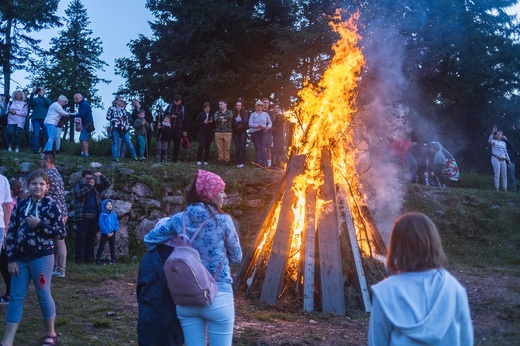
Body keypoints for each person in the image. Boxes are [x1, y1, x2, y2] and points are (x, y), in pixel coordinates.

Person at [143, 170, 243, 346]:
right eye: (221, 191)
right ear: (210, 194)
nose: (224, 195)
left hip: (186, 297)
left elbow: (149, 239)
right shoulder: (223, 221)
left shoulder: (178, 219)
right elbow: (237, 257)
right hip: (217, 296)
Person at [368, 212, 473, 346]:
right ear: (434, 243)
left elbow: (376, 342)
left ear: (396, 246)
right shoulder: (454, 288)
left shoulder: (385, 292)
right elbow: (466, 340)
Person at [1, 170, 66, 346]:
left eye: (41, 184)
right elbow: (12, 231)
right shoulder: (21, 205)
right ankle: (7, 340)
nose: (37, 186)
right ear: (28, 186)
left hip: (42, 259)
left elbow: (61, 232)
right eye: (34, 183)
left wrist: (40, 225)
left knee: (43, 293)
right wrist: (11, 258)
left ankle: (51, 334)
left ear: (47, 187)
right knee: (15, 297)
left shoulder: (51, 205)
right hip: (20, 260)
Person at [137, 217, 185, 346]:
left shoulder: (148, 257)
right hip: (172, 320)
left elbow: (140, 288)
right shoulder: (183, 259)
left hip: (148, 317)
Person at [72, 170, 111, 264]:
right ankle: (79, 260)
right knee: (81, 237)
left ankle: (88, 258)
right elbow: (78, 194)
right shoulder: (79, 185)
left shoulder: (95, 187)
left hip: (95, 216)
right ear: (83, 178)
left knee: (91, 237)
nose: (90, 180)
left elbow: (108, 184)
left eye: (91, 178)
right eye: (87, 178)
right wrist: (89, 186)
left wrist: (101, 176)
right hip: (82, 216)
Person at [40, 152, 68, 278]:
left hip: (56, 213)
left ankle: (61, 269)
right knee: (56, 241)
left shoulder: (49, 175)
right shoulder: (57, 174)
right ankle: (54, 267)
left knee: (59, 241)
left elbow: (41, 192)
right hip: (62, 211)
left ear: (47, 161)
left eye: (42, 159)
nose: (40, 162)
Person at [0, 179, 24, 304]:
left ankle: (10, 293)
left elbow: (7, 211)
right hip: (5, 231)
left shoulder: (12, 203)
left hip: (5, 232)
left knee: (5, 264)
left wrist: (6, 233)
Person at [106, 96, 139, 162]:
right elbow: (108, 117)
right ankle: (115, 157)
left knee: (129, 143)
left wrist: (127, 126)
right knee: (115, 143)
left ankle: (135, 157)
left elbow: (127, 119)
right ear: (116, 101)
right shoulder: (111, 108)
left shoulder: (123, 110)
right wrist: (117, 119)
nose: (122, 102)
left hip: (124, 129)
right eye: (120, 100)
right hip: (115, 128)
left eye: (122, 101)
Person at [164, 95, 187, 163]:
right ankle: (164, 158)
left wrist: (185, 130)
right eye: (176, 101)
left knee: (177, 144)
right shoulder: (170, 106)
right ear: (174, 101)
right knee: (166, 143)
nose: (177, 103)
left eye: (178, 101)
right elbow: (165, 114)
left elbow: (185, 119)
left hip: (178, 128)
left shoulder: (183, 108)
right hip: (169, 127)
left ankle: (174, 159)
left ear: (180, 101)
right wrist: (171, 116)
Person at [249, 99, 272, 167]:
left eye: (261, 105)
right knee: (258, 148)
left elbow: (270, 123)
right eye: (258, 105)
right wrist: (258, 125)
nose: (259, 107)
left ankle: (263, 164)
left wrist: (268, 127)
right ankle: (257, 164)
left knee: (263, 147)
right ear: (256, 106)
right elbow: (250, 124)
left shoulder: (265, 114)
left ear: (262, 107)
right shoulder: (253, 114)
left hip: (264, 132)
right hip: (255, 132)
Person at [28, 87, 52, 154]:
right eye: (39, 90)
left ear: (44, 92)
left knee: (47, 135)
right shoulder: (35, 100)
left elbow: (49, 104)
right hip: (36, 119)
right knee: (36, 134)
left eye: (42, 90)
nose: (40, 91)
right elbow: (30, 103)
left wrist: (42, 97)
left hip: (45, 119)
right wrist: (33, 93)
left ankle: (48, 150)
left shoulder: (47, 99)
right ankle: (35, 150)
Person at [96, 200, 119, 265]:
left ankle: (113, 260)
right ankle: (98, 260)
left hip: (112, 233)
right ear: (104, 206)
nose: (110, 206)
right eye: (108, 205)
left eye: (110, 204)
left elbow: (116, 223)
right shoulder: (102, 215)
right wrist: (107, 232)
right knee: (101, 247)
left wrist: (114, 231)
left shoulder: (113, 215)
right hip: (105, 234)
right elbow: (101, 224)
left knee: (112, 247)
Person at [488, 126, 510, 191]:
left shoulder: (503, 143)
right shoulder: (494, 141)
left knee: (504, 174)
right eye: (497, 134)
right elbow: (489, 141)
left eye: (499, 134)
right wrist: (492, 132)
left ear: (501, 136)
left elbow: (505, 151)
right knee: (497, 174)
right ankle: (497, 188)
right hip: (495, 158)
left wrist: (508, 160)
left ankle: (505, 188)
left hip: (503, 159)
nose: (498, 134)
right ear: (496, 135)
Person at [193, 102, 214, 166]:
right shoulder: (200, 114)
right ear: (203, 108)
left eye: (208, 108)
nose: (207, 109)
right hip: (201, 132)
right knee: (201, 144)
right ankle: (199, 159)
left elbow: (214, 125)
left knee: (208, 146)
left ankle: (206, 160)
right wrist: (203, 122)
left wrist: (211, 122)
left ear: (210, 108)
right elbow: (196, 123)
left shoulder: (211, 115)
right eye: (206, 108)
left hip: (209, 132)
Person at [213, 99, 234, 165]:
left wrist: (222, 118)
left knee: (227, 148)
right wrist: (223, 119)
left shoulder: (230, 112)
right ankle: (220, 160)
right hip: (218, 132)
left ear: (225, 104)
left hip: (227, 132)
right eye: (219, 104)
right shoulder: (217, 112)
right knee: (220, 148)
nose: (220, 106)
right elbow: (216, 119)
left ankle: (227, 160)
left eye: (221, 104)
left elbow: (230, 117)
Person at [73, 93, 94, 157]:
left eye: (76, 99)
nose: (75, 100)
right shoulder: (82, 104)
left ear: (81, 98)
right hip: (85, 123)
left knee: (83, 139)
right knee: (81, 138)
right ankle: (83, 153)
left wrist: (73, 115)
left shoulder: (84, 105)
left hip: (86, 124)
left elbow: (82, 114)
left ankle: (86, 154)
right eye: (74, 99)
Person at [231, 100, 249, 168]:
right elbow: (232, 123)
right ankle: (238, 162)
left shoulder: (245, 113)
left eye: (240, 105)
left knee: (242, 147)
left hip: (242, 132)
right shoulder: (233, 114)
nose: (238, 106)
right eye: (237, 105)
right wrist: (239, 123)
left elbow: (244, 122)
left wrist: (237, 123)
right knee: (237, 147)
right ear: (235, 106)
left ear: (242, 106)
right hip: (235, 132)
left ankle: (243, 162)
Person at [262, 98, 274, 167]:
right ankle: (261, 163)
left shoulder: (271, 112)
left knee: (268, 147)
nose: (266, 104)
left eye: (267, 102)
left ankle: (269, 165)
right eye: (264, 102)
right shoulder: (259, 111)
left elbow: (273, 120)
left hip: (269, 131)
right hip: (261, 132)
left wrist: (266, 126)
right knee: (261, 147)